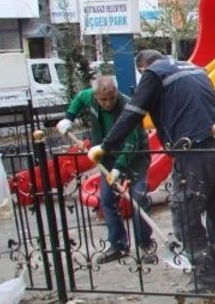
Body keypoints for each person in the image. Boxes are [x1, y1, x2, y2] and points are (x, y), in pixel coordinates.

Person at [93, 50, 215, 292]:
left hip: (194, 149)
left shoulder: (154, 74)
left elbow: (132, 114)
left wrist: (105, 147)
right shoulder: (192, 67)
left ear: (142, 68)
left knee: (185, 215)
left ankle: (205, 278)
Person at [56, 77, 154, 264]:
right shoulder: (90, 96)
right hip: (106, 157)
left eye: (111, 98)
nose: (108, 103)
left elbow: (132, 142)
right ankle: (117, 244)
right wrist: (69, 117)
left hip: (135, 158)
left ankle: (144, 244)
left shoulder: (128, 107)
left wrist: (119, 167)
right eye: (103, 99)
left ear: (116, 92)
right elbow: (79, 97)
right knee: (108, 200)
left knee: (138, 199)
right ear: (97, 96)